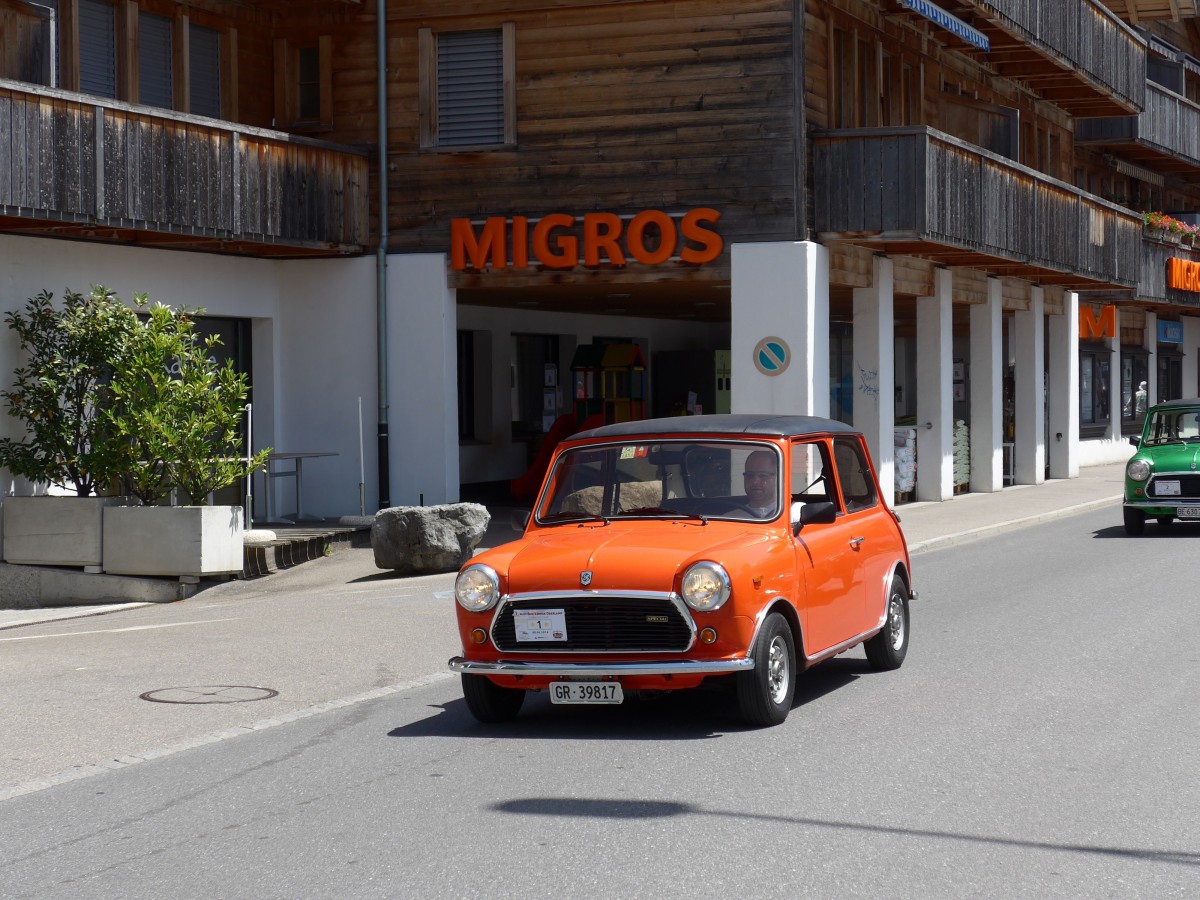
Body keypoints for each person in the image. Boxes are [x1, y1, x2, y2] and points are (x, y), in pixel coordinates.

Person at [742, 450, 779, 518]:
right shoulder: (731, 518)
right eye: (750, 475)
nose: (755, 481)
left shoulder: (797, 514)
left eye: (763, 475)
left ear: (778, 478)